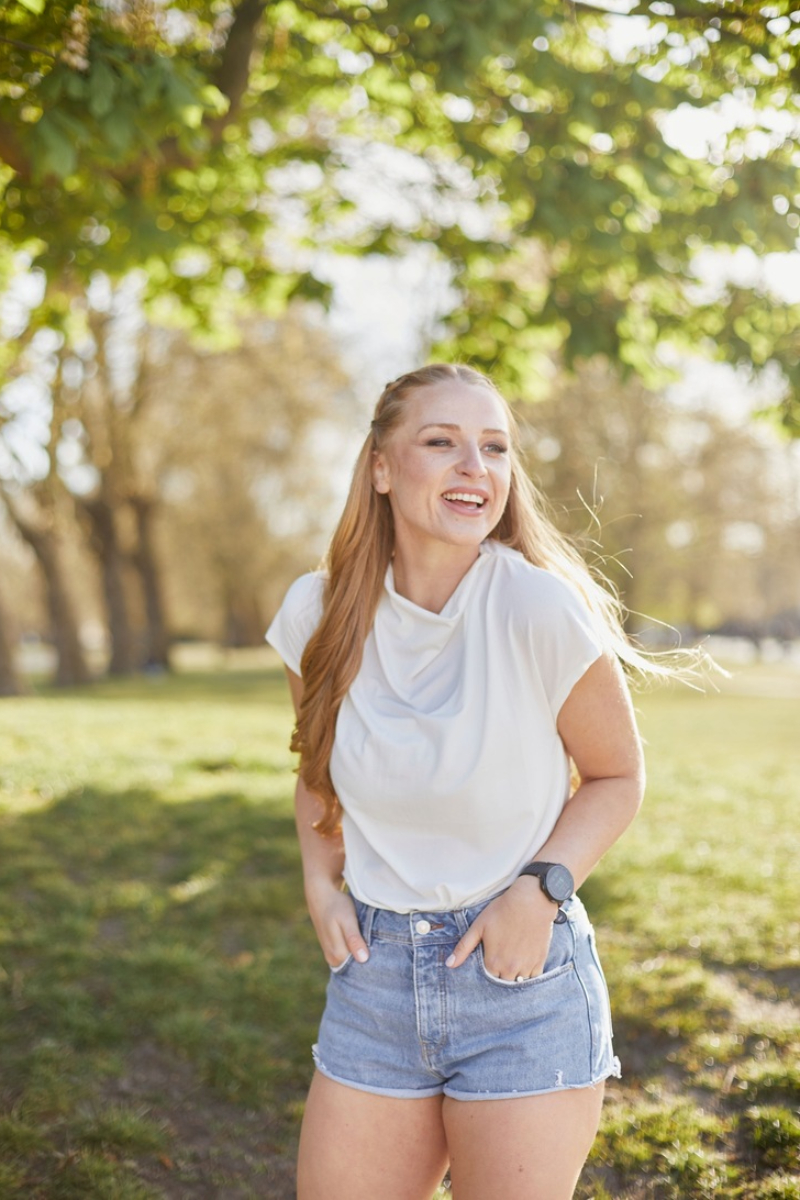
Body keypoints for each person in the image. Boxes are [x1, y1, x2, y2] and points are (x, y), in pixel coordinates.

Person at [266, 363, 649, 1200]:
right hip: (372, 980)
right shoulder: (316, 614)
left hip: (519, 978)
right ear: (379, 466)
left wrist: (539, 891)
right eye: (441, 442)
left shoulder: (539, 609)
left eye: (495, 448)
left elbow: (618, 776)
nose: (475, 465)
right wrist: (319, 882)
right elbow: (317, 768)